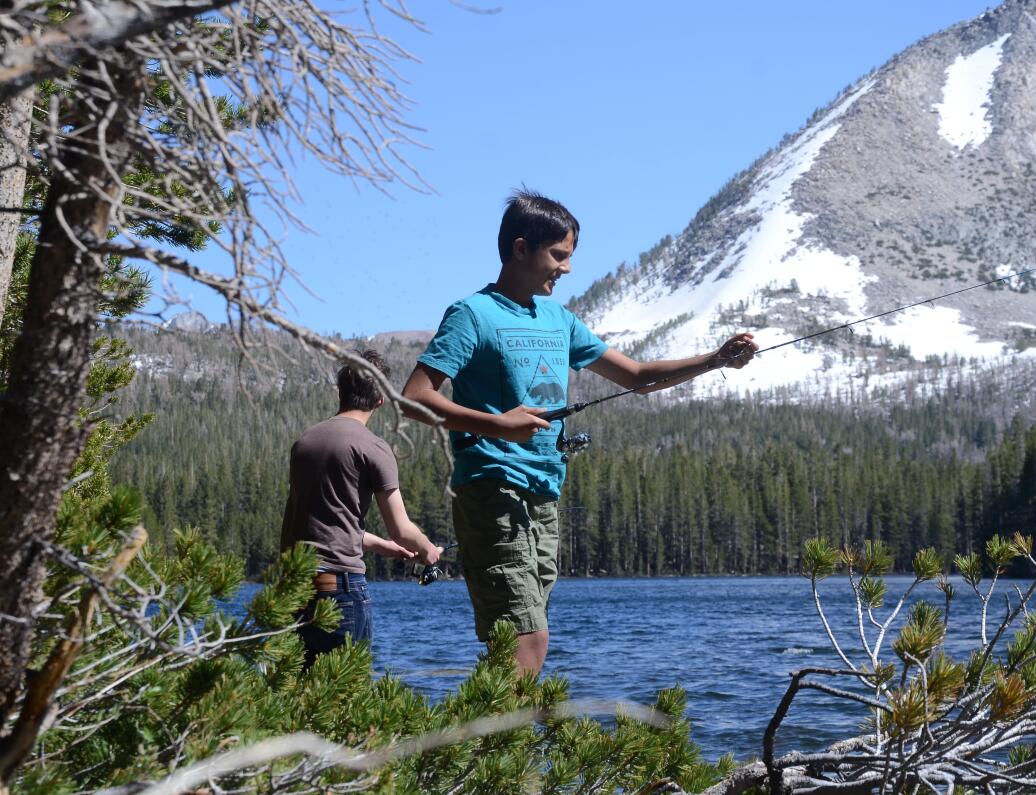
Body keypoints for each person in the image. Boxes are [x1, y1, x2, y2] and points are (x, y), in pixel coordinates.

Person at [402, 189, 757, 675]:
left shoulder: (558, 319)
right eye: (559, 255)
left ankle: (485, 741)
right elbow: (415, 397)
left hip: (545, 494)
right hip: (491, 490)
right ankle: (498, 741)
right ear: (521, 247)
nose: (566, 269)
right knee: (527, 637)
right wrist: (498, 426)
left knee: (522, 639)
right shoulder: (472, 315)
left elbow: (637, 377)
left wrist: (715, 359)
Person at [281, 349, 441, 666]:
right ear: (380, 399)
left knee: (299, 702)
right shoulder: (373, 447)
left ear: (341, 392)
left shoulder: (305, 442)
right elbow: (402, 528)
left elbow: (322, 522)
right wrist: (426, 549)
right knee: (343, 699)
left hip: (295, 589)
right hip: (341, 591)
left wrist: (384, 546)